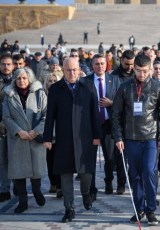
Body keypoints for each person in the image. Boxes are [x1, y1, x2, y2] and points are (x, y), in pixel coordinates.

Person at [112, 54, 160, 226]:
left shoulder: (158, 87)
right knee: (135, 175)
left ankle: (151, 209)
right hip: (131, 139)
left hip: (150, 139)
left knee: (149, 172)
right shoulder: (125, 87)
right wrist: (118, 137)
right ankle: (139, 209)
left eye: (145, 71)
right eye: (138, 71)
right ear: (134, 69)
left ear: (151, 69)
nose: (142, 74)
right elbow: (115, 114)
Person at [43, 57, 101, 223]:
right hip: (64, 140)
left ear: (79, 69)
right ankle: (69, 208)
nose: (72, 73)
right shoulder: (55, 89)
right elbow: (50, 116)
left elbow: (94, 114)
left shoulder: (88, 86)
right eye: (68, 70)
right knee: (66, 176)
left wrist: (97, 136)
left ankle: (86, 194)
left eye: (75, 69)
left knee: (86, 175)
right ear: (63, 70)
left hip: (85, 139)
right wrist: (47, 137)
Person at [3, 68, 47, 213]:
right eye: (18, 79)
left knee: (36, 170)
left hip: (35, 138)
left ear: (30, 79)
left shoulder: (40, 93)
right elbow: (6, 117)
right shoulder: (9, 95)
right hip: (17, 139)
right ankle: (23, 201)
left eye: (24, 78)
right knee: (18, 172)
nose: (22, 81)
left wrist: (35, 131)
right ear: (15, 80)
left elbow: (46, 116)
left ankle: (36, 190)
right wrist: (19, 131)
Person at [86, 54, 120, 197]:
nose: (99, 66)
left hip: (108, 124)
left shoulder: (115, 80)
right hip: (91, 125)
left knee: (109, 157)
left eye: (102, 63)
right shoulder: (85, 81)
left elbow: (121, 102)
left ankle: (108, 182)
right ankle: (91, 187)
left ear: (107, 65)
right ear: (92, 65)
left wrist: (111, 103)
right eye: (96, 64)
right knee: (90, 158)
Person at [43, 73, 63, 199]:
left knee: (59, 160)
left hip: (60, 133)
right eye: (50, 81)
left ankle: (60, 185)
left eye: (55, 80)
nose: (52, 83)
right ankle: (53, 183)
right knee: (49, 160)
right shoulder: (42, 95)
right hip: (48, 133)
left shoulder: (59, 93)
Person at [0, 53, 14, 203]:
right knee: (2, 160)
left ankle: (18, 185)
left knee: (15, 158)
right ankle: (4, 189)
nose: (6, 67)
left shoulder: (19, 80)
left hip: (15, 127)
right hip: (0, 127)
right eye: (3, 64)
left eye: (8, 64)